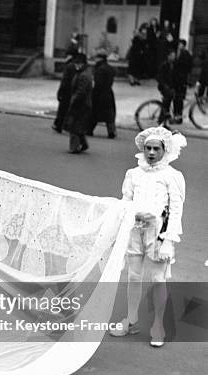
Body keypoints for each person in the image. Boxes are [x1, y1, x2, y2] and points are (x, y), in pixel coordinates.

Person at [110, 127, 186, 348]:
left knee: (157, 279)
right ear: (142, 149)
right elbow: (125, 201)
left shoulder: (172, 176)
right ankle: (131, 320)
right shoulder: (133, 174)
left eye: (156, 148)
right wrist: (122, 226)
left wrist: (168, 240)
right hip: (135, 228)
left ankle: (158, 325)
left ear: (165, 150)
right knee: (134, 276)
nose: (151, 152)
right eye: (148, 148)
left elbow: (176, 209)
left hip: (158, 232)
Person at [64, 53, 92, 154]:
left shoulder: (83, 75)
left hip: (80, 104)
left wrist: (74, 101)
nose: (76, 66)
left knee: (74, 126)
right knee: (78, 126)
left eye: (78, 64)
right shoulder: (84, 73)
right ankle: (83, 144)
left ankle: (74, 147)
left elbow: (81, 91)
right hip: (84, 104)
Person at [88, 50, 116, 139]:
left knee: (94, 113)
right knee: (109, 115)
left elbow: (98, 83)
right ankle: (111, 131)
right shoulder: (110, 68)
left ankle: (89, 130)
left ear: (100, 58)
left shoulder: (99, 69)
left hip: (99, 93)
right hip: (108, 92)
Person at [52, 52, 77, 133]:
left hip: (67, 90)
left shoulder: (69, 66)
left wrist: (60, 91)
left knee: (63, 109)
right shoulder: (77, 65)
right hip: (74, 90)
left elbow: (65, 80)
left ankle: (59, 125)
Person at [172, 39, 193, 124]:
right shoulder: (183, 53)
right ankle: (177, 116)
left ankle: (178, 117)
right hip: (180, 79)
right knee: (178, 99)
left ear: (183, 45)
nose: (179, 46)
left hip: (180, 80)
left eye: (180, 44)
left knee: (178, 99)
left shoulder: (184, 54)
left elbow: (184, 67)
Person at [157, 47, 176, 126]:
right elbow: (159, 77)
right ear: (168, 56)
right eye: (171, 55)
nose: (173, 57)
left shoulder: (173, 65)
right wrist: (164, 85)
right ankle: (163, 119)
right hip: (164, 86)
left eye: (174, 56)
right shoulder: (164, 65)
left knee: (167, 103)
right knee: (166, 101)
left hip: (170, 86)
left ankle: (164, 120)